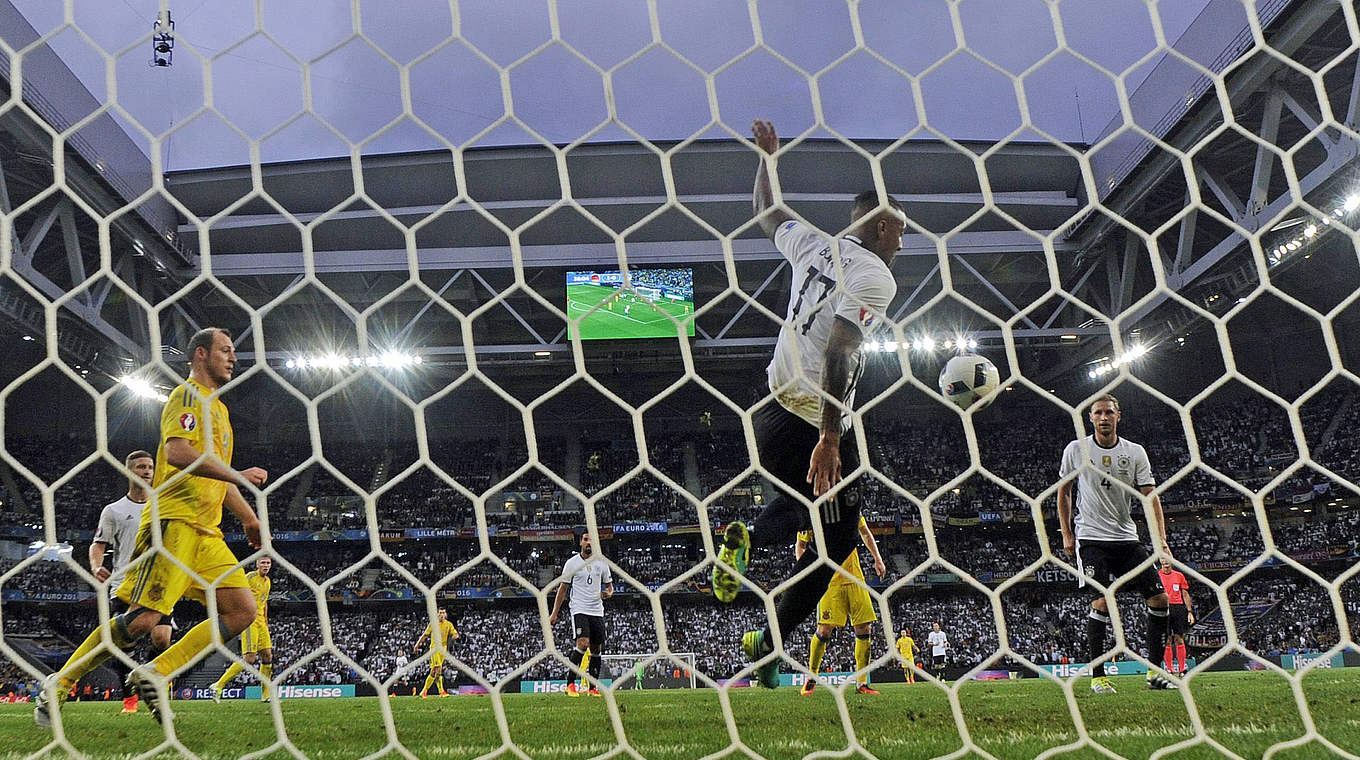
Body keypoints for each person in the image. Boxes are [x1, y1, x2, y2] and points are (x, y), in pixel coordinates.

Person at [708, 119, 904, 690]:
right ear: (883, 223)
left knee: (820, 523)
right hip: (809, 419)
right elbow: (841, 350)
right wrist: (831, 436)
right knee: (838, 541)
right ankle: (767, 632)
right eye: (900, 229)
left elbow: (768, 212)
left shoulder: (815, 243)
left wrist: (767, 160)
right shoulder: (875, 275)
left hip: (767, 410)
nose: (903, 239)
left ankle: (751, 547)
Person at [35, 327, 268, 728]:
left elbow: (214, 477)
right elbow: (178, 452)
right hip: (174, 523)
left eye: (234, 352)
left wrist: (248, 517)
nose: (233, 358)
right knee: (143, 622)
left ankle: (156, 673)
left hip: (207, 533)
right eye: (226, 351)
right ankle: (60, 683)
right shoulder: (186, 396)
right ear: (200, 354)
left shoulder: (221, 411)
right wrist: (240, 474)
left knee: (243, 610)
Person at [1057, 393, 1174, 694]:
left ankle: (1155, 673)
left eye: (1109, 412)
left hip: (1126, 538)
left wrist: (1160, 541)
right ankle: (1098, 677)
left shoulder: (1134, 453)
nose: (1104, 417)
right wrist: (1067, 534)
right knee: (1103, 599)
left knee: (1160, 599)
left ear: (1118, 416)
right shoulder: (1076, 450)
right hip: (1091, 537)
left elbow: (1150, 497)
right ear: (1091, 418)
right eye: (1098, 413)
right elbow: (1064, 492)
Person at [89, 450, 175, 715]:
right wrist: (96, 566)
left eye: (150, 466)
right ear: (129, 471)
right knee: (125, 644)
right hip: (124, 584)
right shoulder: (114, 510)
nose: (146, 471)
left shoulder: (163, 505)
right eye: (140, 467)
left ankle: (146, 675)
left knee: (162, 639)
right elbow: (98, 544)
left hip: (158, 583)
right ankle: (130, 699)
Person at [796, 516, 887, 696]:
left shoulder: (849, 507)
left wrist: (877, 558)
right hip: (830, 581)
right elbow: (800, 545)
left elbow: (865, 533)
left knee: (864, 628)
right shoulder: (811, 514)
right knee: (824, 630)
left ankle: (862, 683)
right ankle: (812, 676)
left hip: (855, 578)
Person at [548, 532, 613, 697]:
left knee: (596, 648)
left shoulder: (602, 563)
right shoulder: (572, 563)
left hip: (597, 610)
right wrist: (554, 613)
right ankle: (570, 685)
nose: (589, 542)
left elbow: (609, 586)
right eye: (586, 539)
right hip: (579, 608)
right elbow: (563, 589)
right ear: (580, 543)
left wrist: (608, 593)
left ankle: (593, 687)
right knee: (583, 643)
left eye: (591, 540)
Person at [211, 556, 273, 702]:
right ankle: (218, 685)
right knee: (249, 658)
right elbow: (236, 591)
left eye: (268, 563)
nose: (266, 565)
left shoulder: (268, 581)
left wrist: (266, 621)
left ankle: (265, 694)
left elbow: (264, 602)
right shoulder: (249, 577)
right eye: (263, 562)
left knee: (267, 656)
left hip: (261, 624)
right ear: (257, 564)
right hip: (250, 621)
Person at [1158, 558, 1195, 675]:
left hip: (1177, 608)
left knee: (1179, 637)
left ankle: (1182, 668)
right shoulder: (1156, 575)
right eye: (1163, 559)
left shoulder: (1179, 576)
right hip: (1163, 607)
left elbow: (1185, 593)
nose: (1165, 562)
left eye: (1167, 559)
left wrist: (1189, 611)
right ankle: (1169, 668)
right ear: (1160, 561)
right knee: (1167, 639)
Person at [413, 608, 459, 698]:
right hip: (435, 649)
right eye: (440, 613)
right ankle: (441, 691)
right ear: (437, 614)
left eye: (443, 612)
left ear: (445, 614)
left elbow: (455, 633)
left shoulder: (449, 624)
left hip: (443, 650)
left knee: (434, 672)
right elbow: (425, 635)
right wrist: (417, 645)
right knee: (438, 668)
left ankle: (424, 691)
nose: (442, 614)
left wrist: (455, 636)